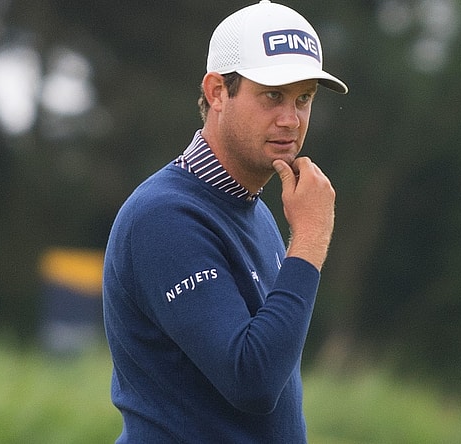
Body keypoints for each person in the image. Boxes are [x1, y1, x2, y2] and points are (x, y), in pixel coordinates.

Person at [102, 1, 348, 442]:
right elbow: (251, 381)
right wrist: (310, 236)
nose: (291, 120)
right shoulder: (164, 217)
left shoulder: (256, 213)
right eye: (273, 95)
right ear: (217, 92)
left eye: (303, 98)